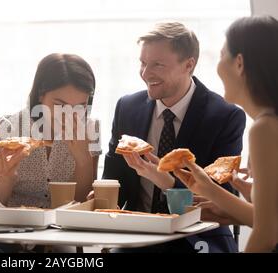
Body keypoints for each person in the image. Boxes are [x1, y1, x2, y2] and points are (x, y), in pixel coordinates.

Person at [102, 22, 246, 252]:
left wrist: (169, 182)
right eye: (143, 63)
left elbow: (222, 200)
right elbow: (112, 180)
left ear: (189, 65)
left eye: (157, 64)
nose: (146, 73)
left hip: (199, 237)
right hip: (136, 238)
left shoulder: (225, 116)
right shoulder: (127, 107)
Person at [173, 16, 278, 253]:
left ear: (239, 63)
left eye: (222, 56)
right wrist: (208, 189)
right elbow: (270, 222)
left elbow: (266, 235)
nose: (217, 66)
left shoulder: (264, 129)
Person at [0, 53, 101, 209]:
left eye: (80, 106)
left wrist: (83, 161)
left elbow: (81, 205)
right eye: (60, 105)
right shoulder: (5, 128)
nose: (69, 115)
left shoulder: (90, 131)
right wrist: (6, 177)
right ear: (40, 95)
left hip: (64, 228)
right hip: (12, 227)